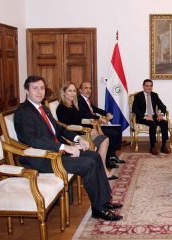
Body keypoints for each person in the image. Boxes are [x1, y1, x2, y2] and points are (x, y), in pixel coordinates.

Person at [14, 75, 122, 221]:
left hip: (56, 152)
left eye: (41, 88)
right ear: (27, 91)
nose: (39, 92)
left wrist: (77, 139)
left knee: (94, 156)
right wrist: (65, 147)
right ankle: (98, 209)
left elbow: (59, 129)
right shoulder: (23, 112)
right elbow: (34, 140)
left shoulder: (43, 108)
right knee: (88, 164)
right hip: (42, 158)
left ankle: (103, 201)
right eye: (35, 88)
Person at [56, 82, 118, 180]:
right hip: (74, 136)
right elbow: (68, 128)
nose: (72, 93)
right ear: (64, 93)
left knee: (104, 139)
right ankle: (103, 171)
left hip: (82, 132)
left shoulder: (73, 105)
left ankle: (101, 169)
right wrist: (86, 131)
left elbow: (80, 120)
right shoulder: (62, 108)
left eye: (74, 91)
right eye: (70, 91)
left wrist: (91, 128)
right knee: (104, 140)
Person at [77, 82, 125, 168]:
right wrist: (99, 119)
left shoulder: (86, 100)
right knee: (113, 134)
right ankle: (108, 159)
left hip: (95, 124)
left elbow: (96, 109)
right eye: (86, 88)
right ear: (80, 90)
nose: (88, 90)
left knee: (117, 129)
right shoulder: (79, 100)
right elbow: (85, 114)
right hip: (90, 126)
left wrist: (106, 113)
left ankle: (112, 155)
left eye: (90, 88)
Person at [132, 79, 171, 155]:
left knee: (164, 123)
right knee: (153, 124)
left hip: (153, 116)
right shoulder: (138, 96)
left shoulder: (154, 95)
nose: (149, 87)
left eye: (150, 86)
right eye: (147, 86)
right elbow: (134, 109)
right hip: (142, 118)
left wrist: (161, 114)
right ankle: (152, 147)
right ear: (143, 86)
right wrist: (145, 117)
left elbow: (163, 106)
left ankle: (163, 146)